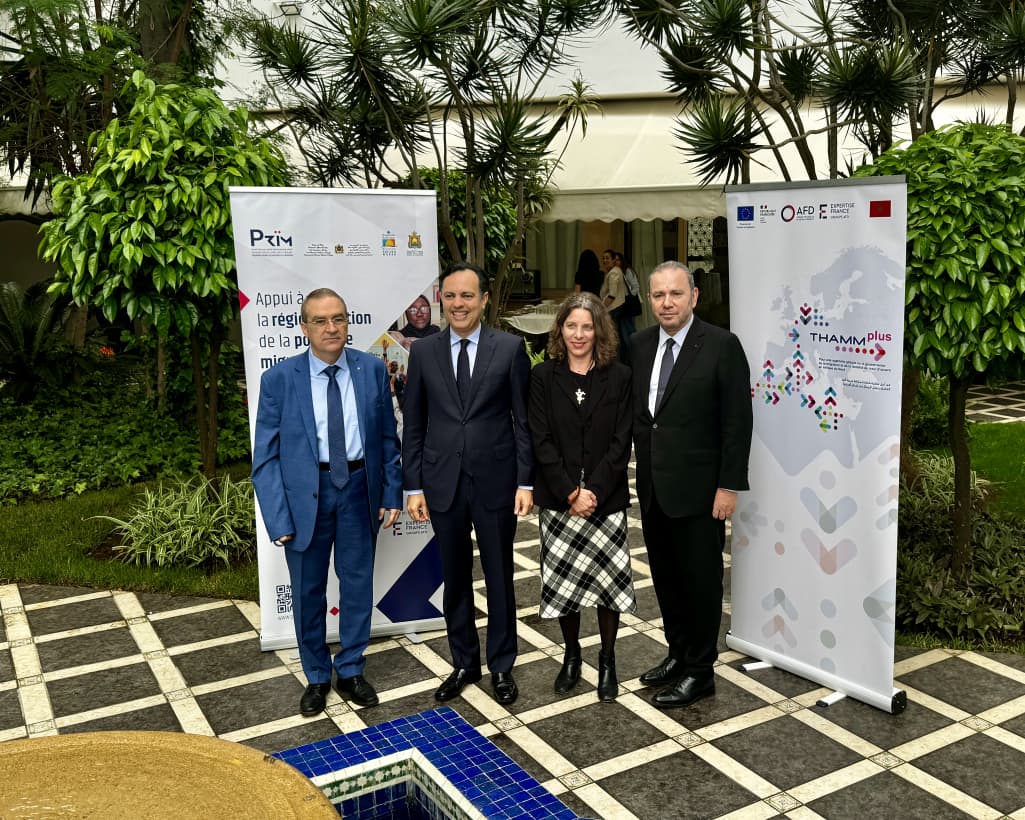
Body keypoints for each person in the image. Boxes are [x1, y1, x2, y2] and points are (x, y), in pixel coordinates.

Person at [251, 288, 403, 718]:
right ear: (304, 327)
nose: (331, 328)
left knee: (357, 585)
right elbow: (265, 459)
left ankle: (351, 668)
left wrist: (391, 491)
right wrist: (278, 518)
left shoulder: (371, 370)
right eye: (320, 320)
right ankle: (317, 676)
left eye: (338, 318)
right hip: (306, 499)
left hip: (358, 490)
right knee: (307, 591)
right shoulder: (280, 380)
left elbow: (388, 439)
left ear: (347, 322)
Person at [402, 262, 534, 706]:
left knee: (499, 577)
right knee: (455, 577)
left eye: (468, 296)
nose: (458, 304)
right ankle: (464, 662)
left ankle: (502, 665)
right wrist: (413, 486)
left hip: (496, 481)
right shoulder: (424, 352)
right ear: (442, 299)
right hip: (442, 483)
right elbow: (414, 424)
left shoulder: (510, 349)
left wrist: (525, 481)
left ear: (484, 300)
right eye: (451, 296)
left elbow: (523, 422)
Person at [632, 261, 752, 709]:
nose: (667, 303)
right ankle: (678, 653)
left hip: (702, 493)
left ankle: (700, 671)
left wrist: (729, 485)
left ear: (694, 296)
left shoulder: (722, 346)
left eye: (676, 294)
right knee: (666, 579)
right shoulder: (639, 345)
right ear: (650, 299)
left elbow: (737, 421)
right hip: (653, 489)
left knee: (701, 582)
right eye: (659, 295)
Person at [529, 292, 634, 702]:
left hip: (606, 501)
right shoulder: (543, 377)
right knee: (565, 586)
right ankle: (572, 655)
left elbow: (621, 442)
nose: (578, 334)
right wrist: (571, 492)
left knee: (608, 586)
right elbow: (540, 439)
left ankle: (608, 660)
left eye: (587, 326)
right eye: (571, 326)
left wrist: (594, 492)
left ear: (599, 331)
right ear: (560, 330)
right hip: (561, 502)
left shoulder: (619, 376)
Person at [618, 255, 642, 363]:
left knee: (628, 330)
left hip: (627, 306)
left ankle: (633, 355)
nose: (616, 262)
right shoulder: (617, 272)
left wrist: (628, 296)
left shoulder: (627, 271)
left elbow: (636, 287)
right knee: (625, 331)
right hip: (622, 305)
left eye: (618, 260)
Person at [599, 249, 626, 330]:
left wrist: (602, 307)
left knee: (611, 331)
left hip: (613, 307)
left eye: (607, 258)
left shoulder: (613, 273)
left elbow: (612, 295)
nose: (605, 260)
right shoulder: (615, 270)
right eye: (603, 258)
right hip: (616, 306)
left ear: (614, 260)